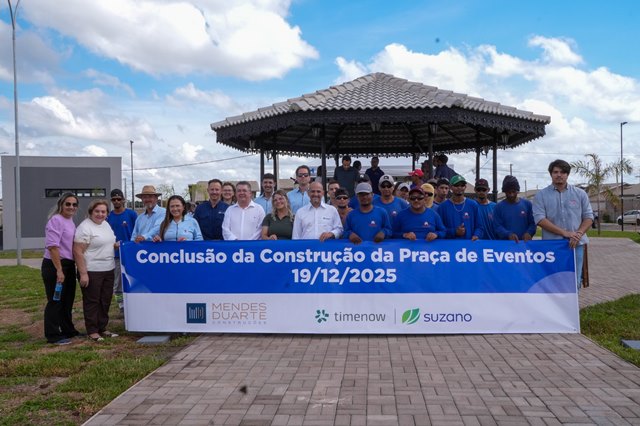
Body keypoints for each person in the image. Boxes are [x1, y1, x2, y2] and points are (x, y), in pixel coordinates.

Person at [533, 159, 593, 288]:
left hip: (576, 244)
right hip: (552, 246)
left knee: (574, 281)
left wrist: (578, 234)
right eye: (555, 172)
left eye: (562, 172)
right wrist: (565, 233)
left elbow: (588, 217)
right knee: (553, 281)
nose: (559, 175)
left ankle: (574, 301)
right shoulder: (541, 195)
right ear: (551, 174)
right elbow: (539, 219)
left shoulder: (580, 194)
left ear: (567, 174)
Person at [73, 199, 118, 342]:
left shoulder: (106, 225)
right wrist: (83, 273)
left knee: (105, 300)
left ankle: (102, 327)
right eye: (97, 211)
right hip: (92, 270)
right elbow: (78, 251)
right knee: (92, 301)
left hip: (108, 268)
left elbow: (107, 243)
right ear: (91, 212)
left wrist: (117, 245)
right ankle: (92, 331)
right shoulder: (85, 227)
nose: (100, 214)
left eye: (103, 211)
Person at [42, 193, 82, 345]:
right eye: (68, 204)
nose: (71, 207)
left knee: (67, 301)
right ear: (61, 205)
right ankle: (52, 334)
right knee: (55, 300)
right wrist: (59, 270)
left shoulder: (70, 221)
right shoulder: (56, 220)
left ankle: (68, 330)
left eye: (74, 204)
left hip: (68, 265)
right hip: (55, 265)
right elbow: (53, 247)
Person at [107, 189, 137, 312]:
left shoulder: (131, 214)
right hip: (115, 255)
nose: (116, 201)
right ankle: (121, 305)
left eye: (119, 199)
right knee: (118, 283)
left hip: (130, 254)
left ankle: (134, 303)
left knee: (133, 280)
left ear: (123, 200)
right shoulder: (108, 216)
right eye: (114, 199)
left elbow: (137, 231)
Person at [436, 175, 483, 240]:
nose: (459, 188)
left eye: (462, 185)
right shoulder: (442, 207)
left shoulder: (473, 205)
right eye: (456, 185)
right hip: (450, 245)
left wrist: (476, 235)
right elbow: (439, 230)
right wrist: (454, 232)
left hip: (469, 245)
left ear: (465, 187)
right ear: (451, 187)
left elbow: (480, 227)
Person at [494, 175, 536, 242]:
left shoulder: (527, 204)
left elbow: (533, 223)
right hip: (506, 245)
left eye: (514, 191)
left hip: (524, 244)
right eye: (509, 192)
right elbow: (497, 226)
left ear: (518, 191)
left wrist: (529, 233)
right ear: (504, 192)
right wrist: (508, 234)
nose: (511, 195)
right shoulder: (498, 207)